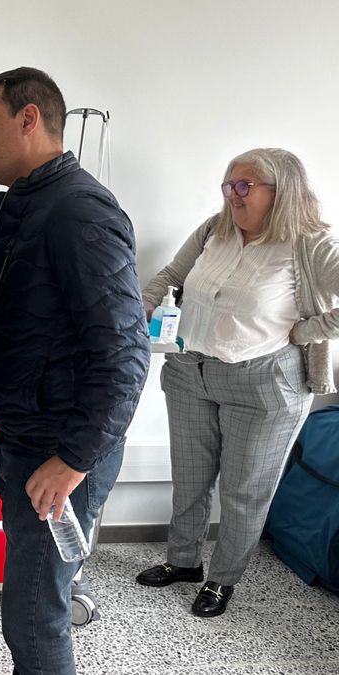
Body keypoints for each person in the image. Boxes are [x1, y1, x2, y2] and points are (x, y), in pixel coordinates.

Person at [0, 67, 149, 674]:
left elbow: (124, 353)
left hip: (60, 450)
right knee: (29, 605)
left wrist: (72, 460)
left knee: (35, 616)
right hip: (27, 439)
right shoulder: (21, 205)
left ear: (29, 119)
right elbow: (31, 326)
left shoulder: (78, 212)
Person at [135, 147, 339, 617]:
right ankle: (183, 562)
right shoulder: (215, 229)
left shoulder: (309, 243)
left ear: (281, 191)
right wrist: (142, 303)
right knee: (189, 480)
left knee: (244, 493)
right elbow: (171, 275)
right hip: (190, 372)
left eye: (244, 185)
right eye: (228, 184)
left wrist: (307, 331)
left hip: (264, 384)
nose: (232, 194)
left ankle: (221, 580)